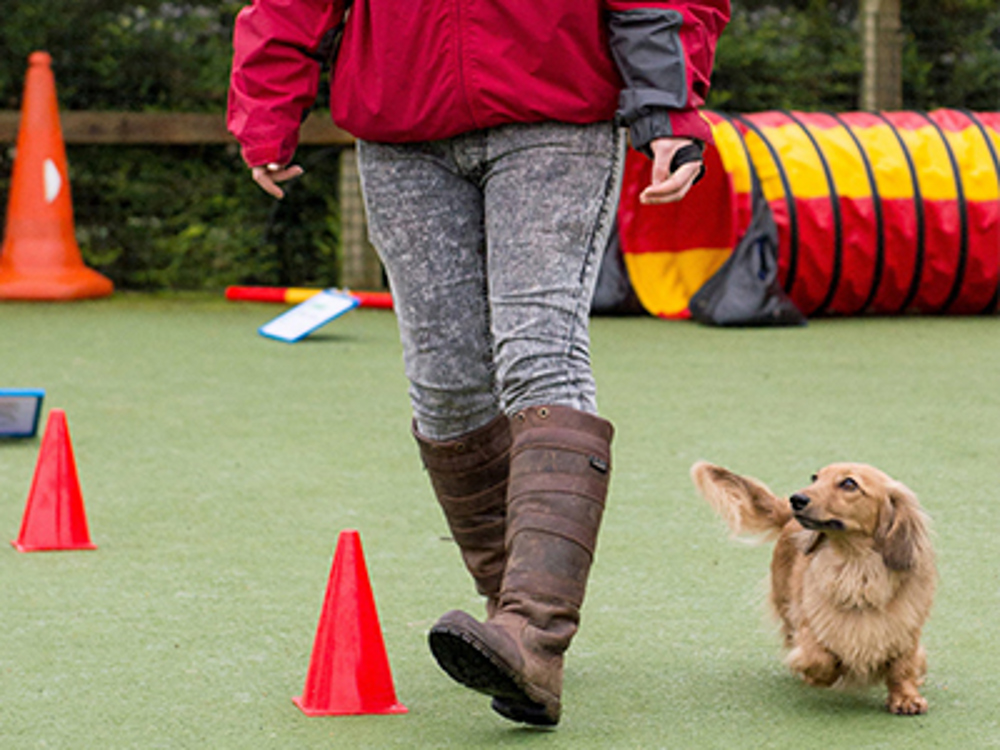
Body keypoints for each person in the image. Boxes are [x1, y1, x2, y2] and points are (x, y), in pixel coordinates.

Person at [228, 0, 729, 727]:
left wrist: (670, 113)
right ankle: (508, 622)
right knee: (446, 388)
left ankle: (535, 632)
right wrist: (267, 108)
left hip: (555, 116)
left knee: (541, 354)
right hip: (403, 131)